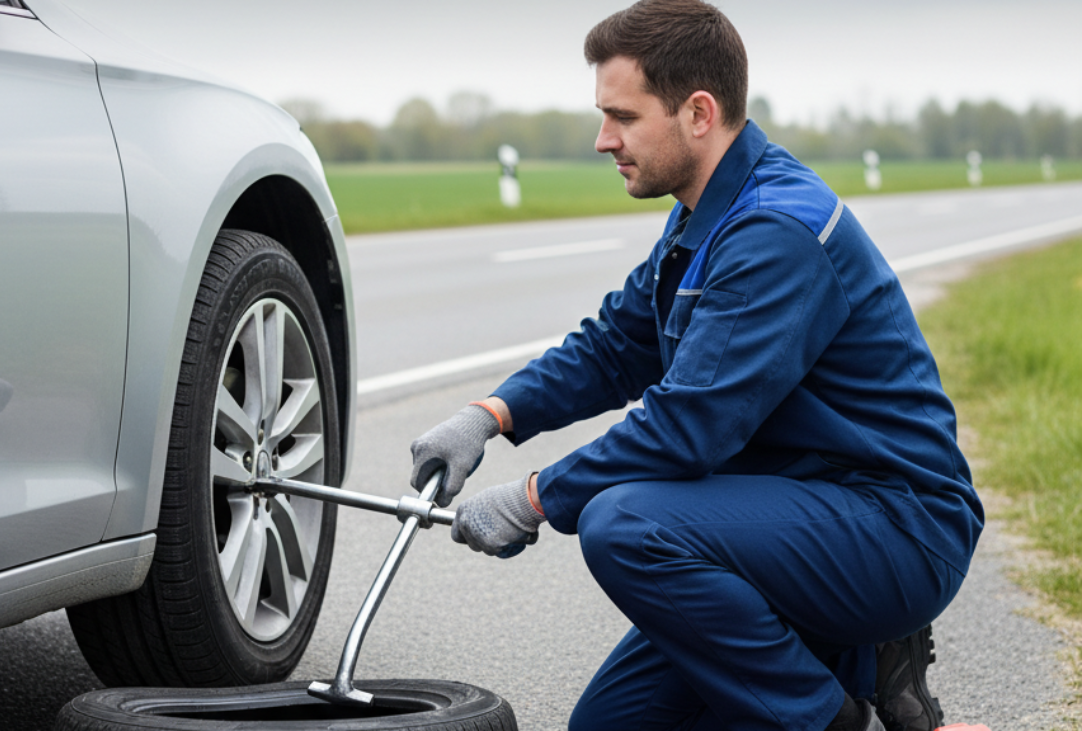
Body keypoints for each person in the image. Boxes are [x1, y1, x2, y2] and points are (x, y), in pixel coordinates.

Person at [408, 2, 981, 730]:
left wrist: (534, 496)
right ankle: (852, 659)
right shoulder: (709, 211)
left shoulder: (776, 229)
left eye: (622, 115)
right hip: (789, 514)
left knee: (625, 522)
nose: (601, 139)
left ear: (699, 113)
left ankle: (844, 718)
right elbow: (615, 344)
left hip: (892, 527)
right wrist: (488, 414)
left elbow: (687, 427)